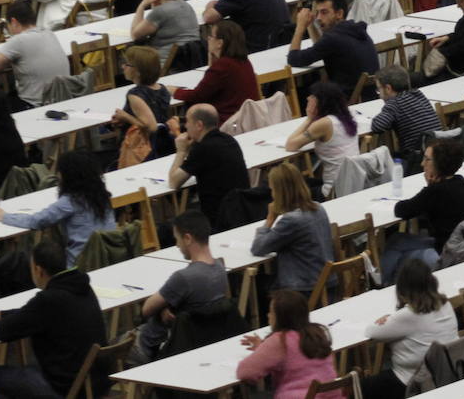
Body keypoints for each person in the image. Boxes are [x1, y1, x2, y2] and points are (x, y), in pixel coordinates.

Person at [0, 241, 107, 398]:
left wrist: (5, 319)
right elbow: (36, 315)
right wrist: (1, 314)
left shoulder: (48, 299)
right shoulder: (82, 287)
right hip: (93, 384)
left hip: (63, 388)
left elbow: (2, 332)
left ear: (38, 270)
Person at [130, 210, 231, 365]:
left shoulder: (183, 278)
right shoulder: (220, 268)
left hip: (156, 347)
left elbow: (146, 309)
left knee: (111, 350)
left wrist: (163, 308)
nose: (177, 245)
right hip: (203, 342)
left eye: (177, 239)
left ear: (188, 238)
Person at [0, 150, 115, 265]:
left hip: (81, 263)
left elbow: (36, 221)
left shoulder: (70, 201)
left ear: (66, 175)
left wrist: (4, 216)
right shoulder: (102, 197)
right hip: (108, 257)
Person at [362, 259, 460, 399]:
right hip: (447, 375)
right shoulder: (445, 304)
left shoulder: (409, 315)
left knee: (362, 386)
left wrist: (389, 318)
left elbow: (371, 332)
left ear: (403, 288)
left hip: (413, 383)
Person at [384, 138, 464, 277]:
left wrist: (430, 187)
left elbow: (401, 210)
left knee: (401, 252)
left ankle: (383, 283)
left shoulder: (434, 191)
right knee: (397, 239)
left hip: (447, 253)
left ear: (439, 164)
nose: (422, 164)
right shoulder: (461, 181)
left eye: (427, 159)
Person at [237, 289, 339, 398]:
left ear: (281, 317)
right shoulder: (318, 333)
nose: (268, 315)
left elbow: (245, 372)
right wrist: (263, 347)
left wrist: (265, 349)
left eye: (271, 312)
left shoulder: (280, 341)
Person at [252, 162, 334, 297]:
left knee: (258, 286)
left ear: (280, 192)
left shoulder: (291, 221)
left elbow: (258, 248)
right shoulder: (319, 208)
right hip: (327, 283)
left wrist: (270, 219)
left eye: (272, 190)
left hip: (304, 288)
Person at [169, 103, 249, 227]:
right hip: (243, 210)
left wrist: (181, 151)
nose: (185, 126)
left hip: (218, 219)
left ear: (199, 125)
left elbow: (173, 182)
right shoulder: (229, 139)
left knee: (172, 227)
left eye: (188, 122)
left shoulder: (203, 149)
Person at [0, 0, 70, 109]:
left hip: (36, 104)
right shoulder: (49, 33)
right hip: (64, 98)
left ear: (14, 22)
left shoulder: (19, 40)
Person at [287, 0, 380, 92]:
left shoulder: (332, 39)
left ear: (339, 14)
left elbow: (293, 59)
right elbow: (321, 46)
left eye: (324, 12)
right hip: (371, 94)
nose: (318, 18)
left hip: (349, 100)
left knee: (300, 94)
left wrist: (300, 26)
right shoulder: (356, 29)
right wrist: (310, 24)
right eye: (317, 13)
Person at [368, 65, 443, 161]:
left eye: (379, 89)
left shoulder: (394, 104)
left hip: (418, 158)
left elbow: (377, 126)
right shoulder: (418, 94)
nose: (379, 95)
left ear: (388, 88)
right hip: (439, 150)